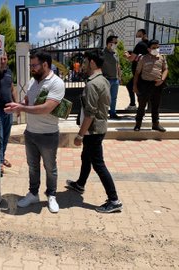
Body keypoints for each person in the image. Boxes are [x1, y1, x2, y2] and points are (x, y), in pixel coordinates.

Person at [4, 51, 65, 213]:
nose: (31, 68)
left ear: (45, 64)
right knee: (33, 167)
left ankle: (51, 195)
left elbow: (47, 107)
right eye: (30, 65)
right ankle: (33, 194)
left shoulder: (56, 83)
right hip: (30, 133)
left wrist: (22, 108)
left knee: (50, 167)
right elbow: (27, 100)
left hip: (48, 134)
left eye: (34, 65)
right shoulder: (33, 81)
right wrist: (18, 106)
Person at [65, 49, 123, 214]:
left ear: (91, 62)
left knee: (98, 164)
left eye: (84, 62)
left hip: (93, 130)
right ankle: (80, 184)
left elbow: (90, 114)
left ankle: (114, 200)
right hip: (99, 127)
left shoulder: (92, 84)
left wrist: (79, 135)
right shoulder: (103, 80)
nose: (82, 65)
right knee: (86, 157)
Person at [133, 39, 168, 132]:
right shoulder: (143, 58)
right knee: (142, 105)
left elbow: (165, 70)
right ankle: (138, 124)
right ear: (148, 49)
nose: (156, 49)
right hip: (145, 84)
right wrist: (135, 86)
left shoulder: (162, 58)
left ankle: (155, 124)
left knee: (156, 106)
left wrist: (162, 79)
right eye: (153, 48)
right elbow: (137, 73)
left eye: (157, 47)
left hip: (157, 84)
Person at [124, 29, 149, 110]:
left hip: (139, 72)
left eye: (139, 36)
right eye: (136, 36)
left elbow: (131, 58)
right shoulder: (149, 44)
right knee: (136, 88)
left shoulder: (140, 45)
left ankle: (135, 106)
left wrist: (127, 55)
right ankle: (137, 105)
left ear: (144, 35)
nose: (137, 37)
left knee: (134, 88)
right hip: (147, 71)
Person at [102, 35, 122, 119]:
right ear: (109, 43)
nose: (116, 44)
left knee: (114, 98)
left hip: (115, 79)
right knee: (105, 98)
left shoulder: (116, 52)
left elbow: (118, 65)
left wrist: (119, 77)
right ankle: (103, 114)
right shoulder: (103, 53)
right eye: (115, 42)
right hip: (106, 79)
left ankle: (113, 113)